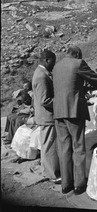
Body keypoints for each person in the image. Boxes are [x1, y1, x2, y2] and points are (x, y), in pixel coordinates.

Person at [53, 45, 97, 195]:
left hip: (58, 111)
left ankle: (66, 184)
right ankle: (79, 184)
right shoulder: (78, 63)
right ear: (78, 54)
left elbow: (68, 86)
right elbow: (96, 79)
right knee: (78, 146)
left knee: (64, 148)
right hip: (73, 110)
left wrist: (82, 89)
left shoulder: (57, 66)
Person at [32, 50, 60, 182]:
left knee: (48, 145)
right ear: (47, 60)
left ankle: (49, 170)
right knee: (49, 146)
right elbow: (45, 100)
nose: (54, 65)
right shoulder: (41, 76)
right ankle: (51, 174)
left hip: (46, 116)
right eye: (53, 62)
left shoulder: (42, 73)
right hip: (47, 117)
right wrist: (61, 101)